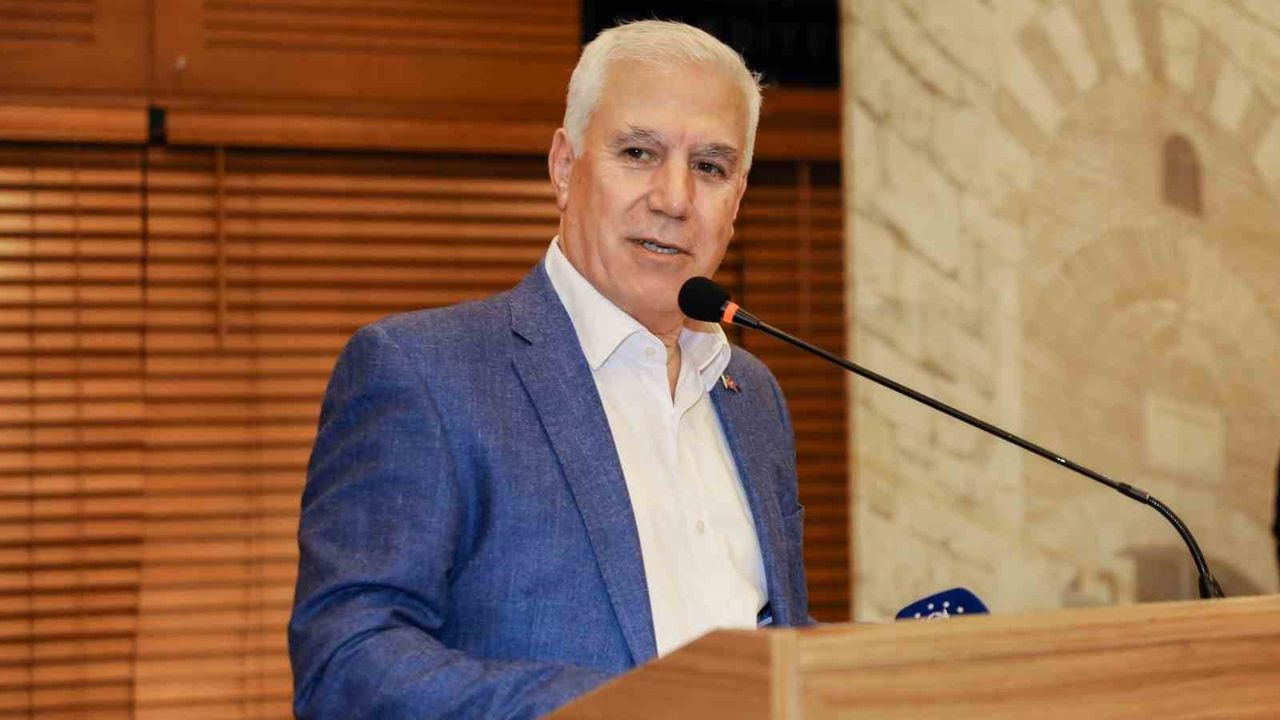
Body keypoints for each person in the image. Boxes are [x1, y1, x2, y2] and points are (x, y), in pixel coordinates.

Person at [288, 20, 809, 719]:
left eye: (710, 167)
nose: (674, 199)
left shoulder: (753, 395)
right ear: (565, 168)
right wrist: (625, 708)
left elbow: (773, 634)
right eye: (639, 152)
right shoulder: (422, 374)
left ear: (736, 200)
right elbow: (345, 663)